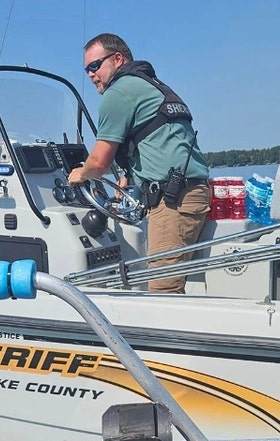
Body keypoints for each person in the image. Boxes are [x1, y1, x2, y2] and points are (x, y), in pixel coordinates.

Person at [68, 33, 210, 293]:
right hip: (190, 193)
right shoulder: (147, 85)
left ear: (118, 59)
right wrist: (128, 178)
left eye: (94, 66)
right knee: (167, 281)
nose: (90, 74)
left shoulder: (119, 91)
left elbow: (99, 162)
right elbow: (156, 140)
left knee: (163, 290)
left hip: (174, 201)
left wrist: (81, 173)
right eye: (87, 69)